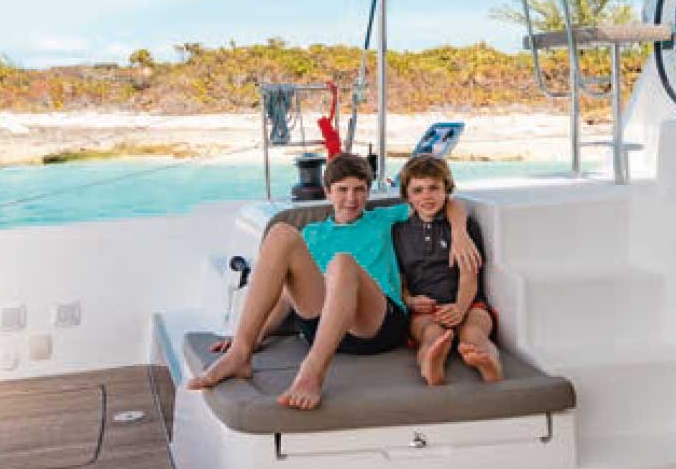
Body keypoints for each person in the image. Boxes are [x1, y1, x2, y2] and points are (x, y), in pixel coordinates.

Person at [186, 153, 480, 410]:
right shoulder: (312, 233)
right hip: (322, 323)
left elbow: (448, 202)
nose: (351, 198)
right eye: (342, 190)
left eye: (359, 190)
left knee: (342, 263)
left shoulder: (383, 218)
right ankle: (240, 353)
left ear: (368, 193)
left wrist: (459, 233)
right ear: (327, 191)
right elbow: (288, 295)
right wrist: (257, 334)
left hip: (376, 325)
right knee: (280, 234)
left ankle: (312, 374)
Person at [393, 155, 502, 385]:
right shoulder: (400, 231)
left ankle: (489, 365)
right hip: (426, 310)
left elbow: (469, 274)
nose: (427, 196)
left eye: (434, 188)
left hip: (468, 303)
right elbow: (400, 277)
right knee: (431, 335)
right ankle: (431, 365)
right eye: (418, 190)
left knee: (474, 334)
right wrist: (410, 300)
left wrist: (460, 308)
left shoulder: (464, 227)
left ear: (446, 190)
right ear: (408, 196)